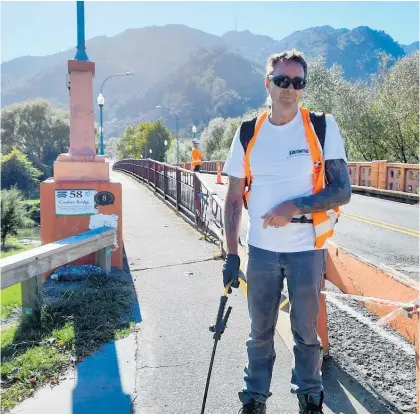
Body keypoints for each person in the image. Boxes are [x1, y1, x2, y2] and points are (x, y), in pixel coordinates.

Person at [222, 50, 352, 414]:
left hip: (305, 249)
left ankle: (310, 396)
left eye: (297, 82)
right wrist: (231, 253)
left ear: (303, 87)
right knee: (259, 330)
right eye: (282, 81)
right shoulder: (249, 131)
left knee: (306, 331)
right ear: (268, 84)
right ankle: (254, 398)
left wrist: (292, 207)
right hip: (260, 250)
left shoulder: (321, 127)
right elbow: (233, 198)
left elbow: (342, 190)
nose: (289, 89)